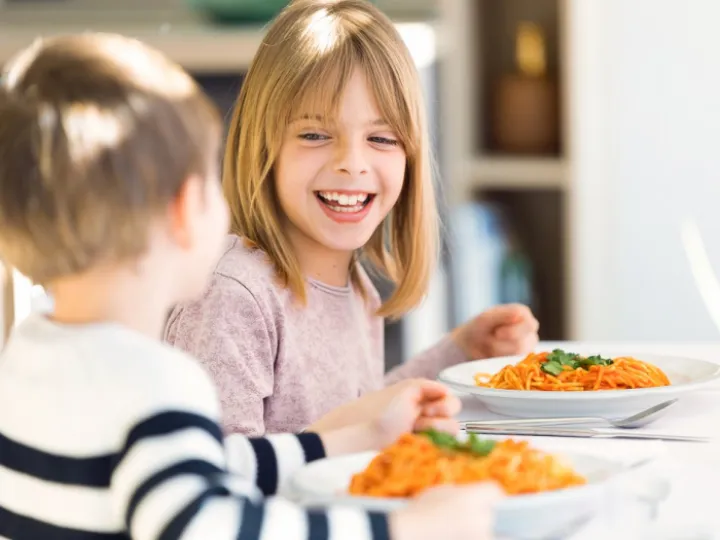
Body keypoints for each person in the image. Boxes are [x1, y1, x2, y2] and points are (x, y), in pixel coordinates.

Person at [0, 31, 502, 540]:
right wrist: (397, 529)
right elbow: (214, 522)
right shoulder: (157, 383)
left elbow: (218, 461)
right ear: (185, 211)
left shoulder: (28, 356)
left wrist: (360, 437)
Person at [165, 0, 540, 436]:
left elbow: (355, 410)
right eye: (315, 135)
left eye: (381, 138)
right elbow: (224, 471)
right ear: (264, 148)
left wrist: (457, 352)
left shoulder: (357, 290)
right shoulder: (233, 298)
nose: (352, 163)